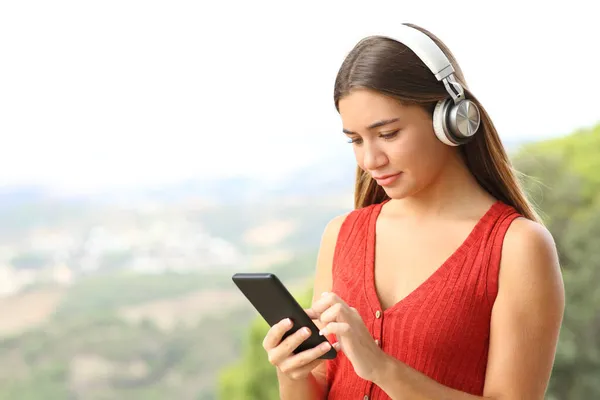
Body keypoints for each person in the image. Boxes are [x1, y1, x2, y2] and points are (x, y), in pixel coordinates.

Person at [261, 23, 565, 400]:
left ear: (451, 119)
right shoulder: (341, 234)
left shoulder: (516, 247)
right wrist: (292, 374)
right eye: (355, 140)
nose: (371, 159)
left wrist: (382, 368)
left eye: (388, 134)